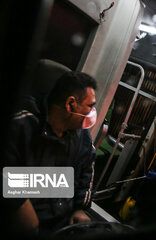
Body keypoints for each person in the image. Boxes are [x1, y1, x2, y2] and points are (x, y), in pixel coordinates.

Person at [4, 71, 98, 236]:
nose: (92, 112)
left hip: (62, 224)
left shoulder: (82, 135)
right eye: (90, 106)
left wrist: (80, 208)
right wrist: (18, 202)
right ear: (70, 104)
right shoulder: (23, 125)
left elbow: (86, 170)